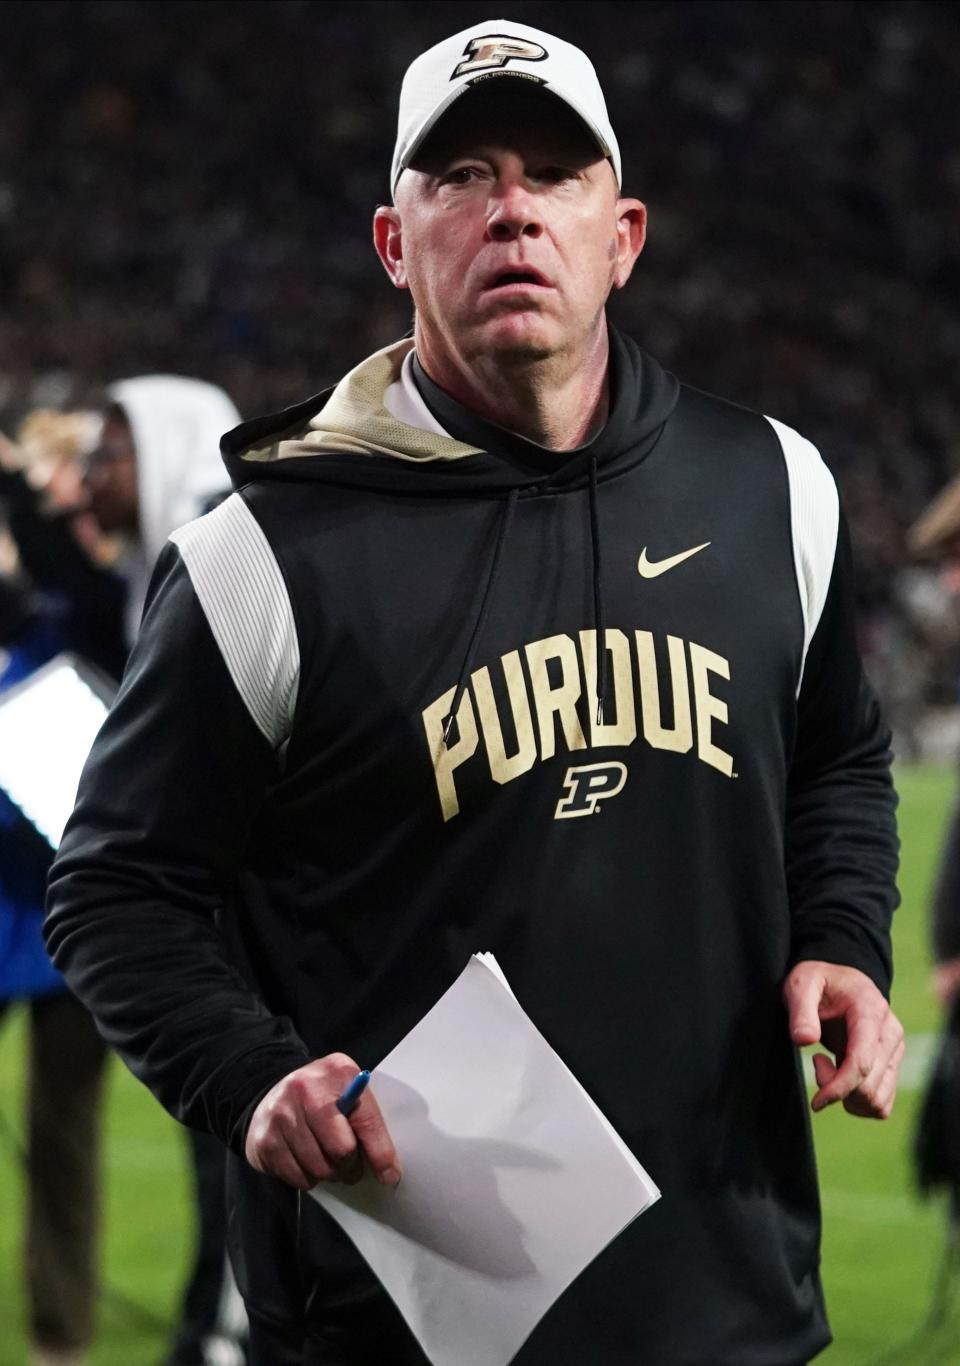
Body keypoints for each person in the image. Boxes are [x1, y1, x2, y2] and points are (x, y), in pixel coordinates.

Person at [46, 19, 903, 1366]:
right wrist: (251, 1076)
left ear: (621, 235)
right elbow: (112, 889)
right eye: (460, 177)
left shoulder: (774, 488)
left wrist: (844, 938)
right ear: (395, 243)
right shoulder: (261, 554)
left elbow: (840, 756)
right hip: (396, 1325)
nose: (511, 210)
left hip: (728, 1306)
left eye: (552, 174)